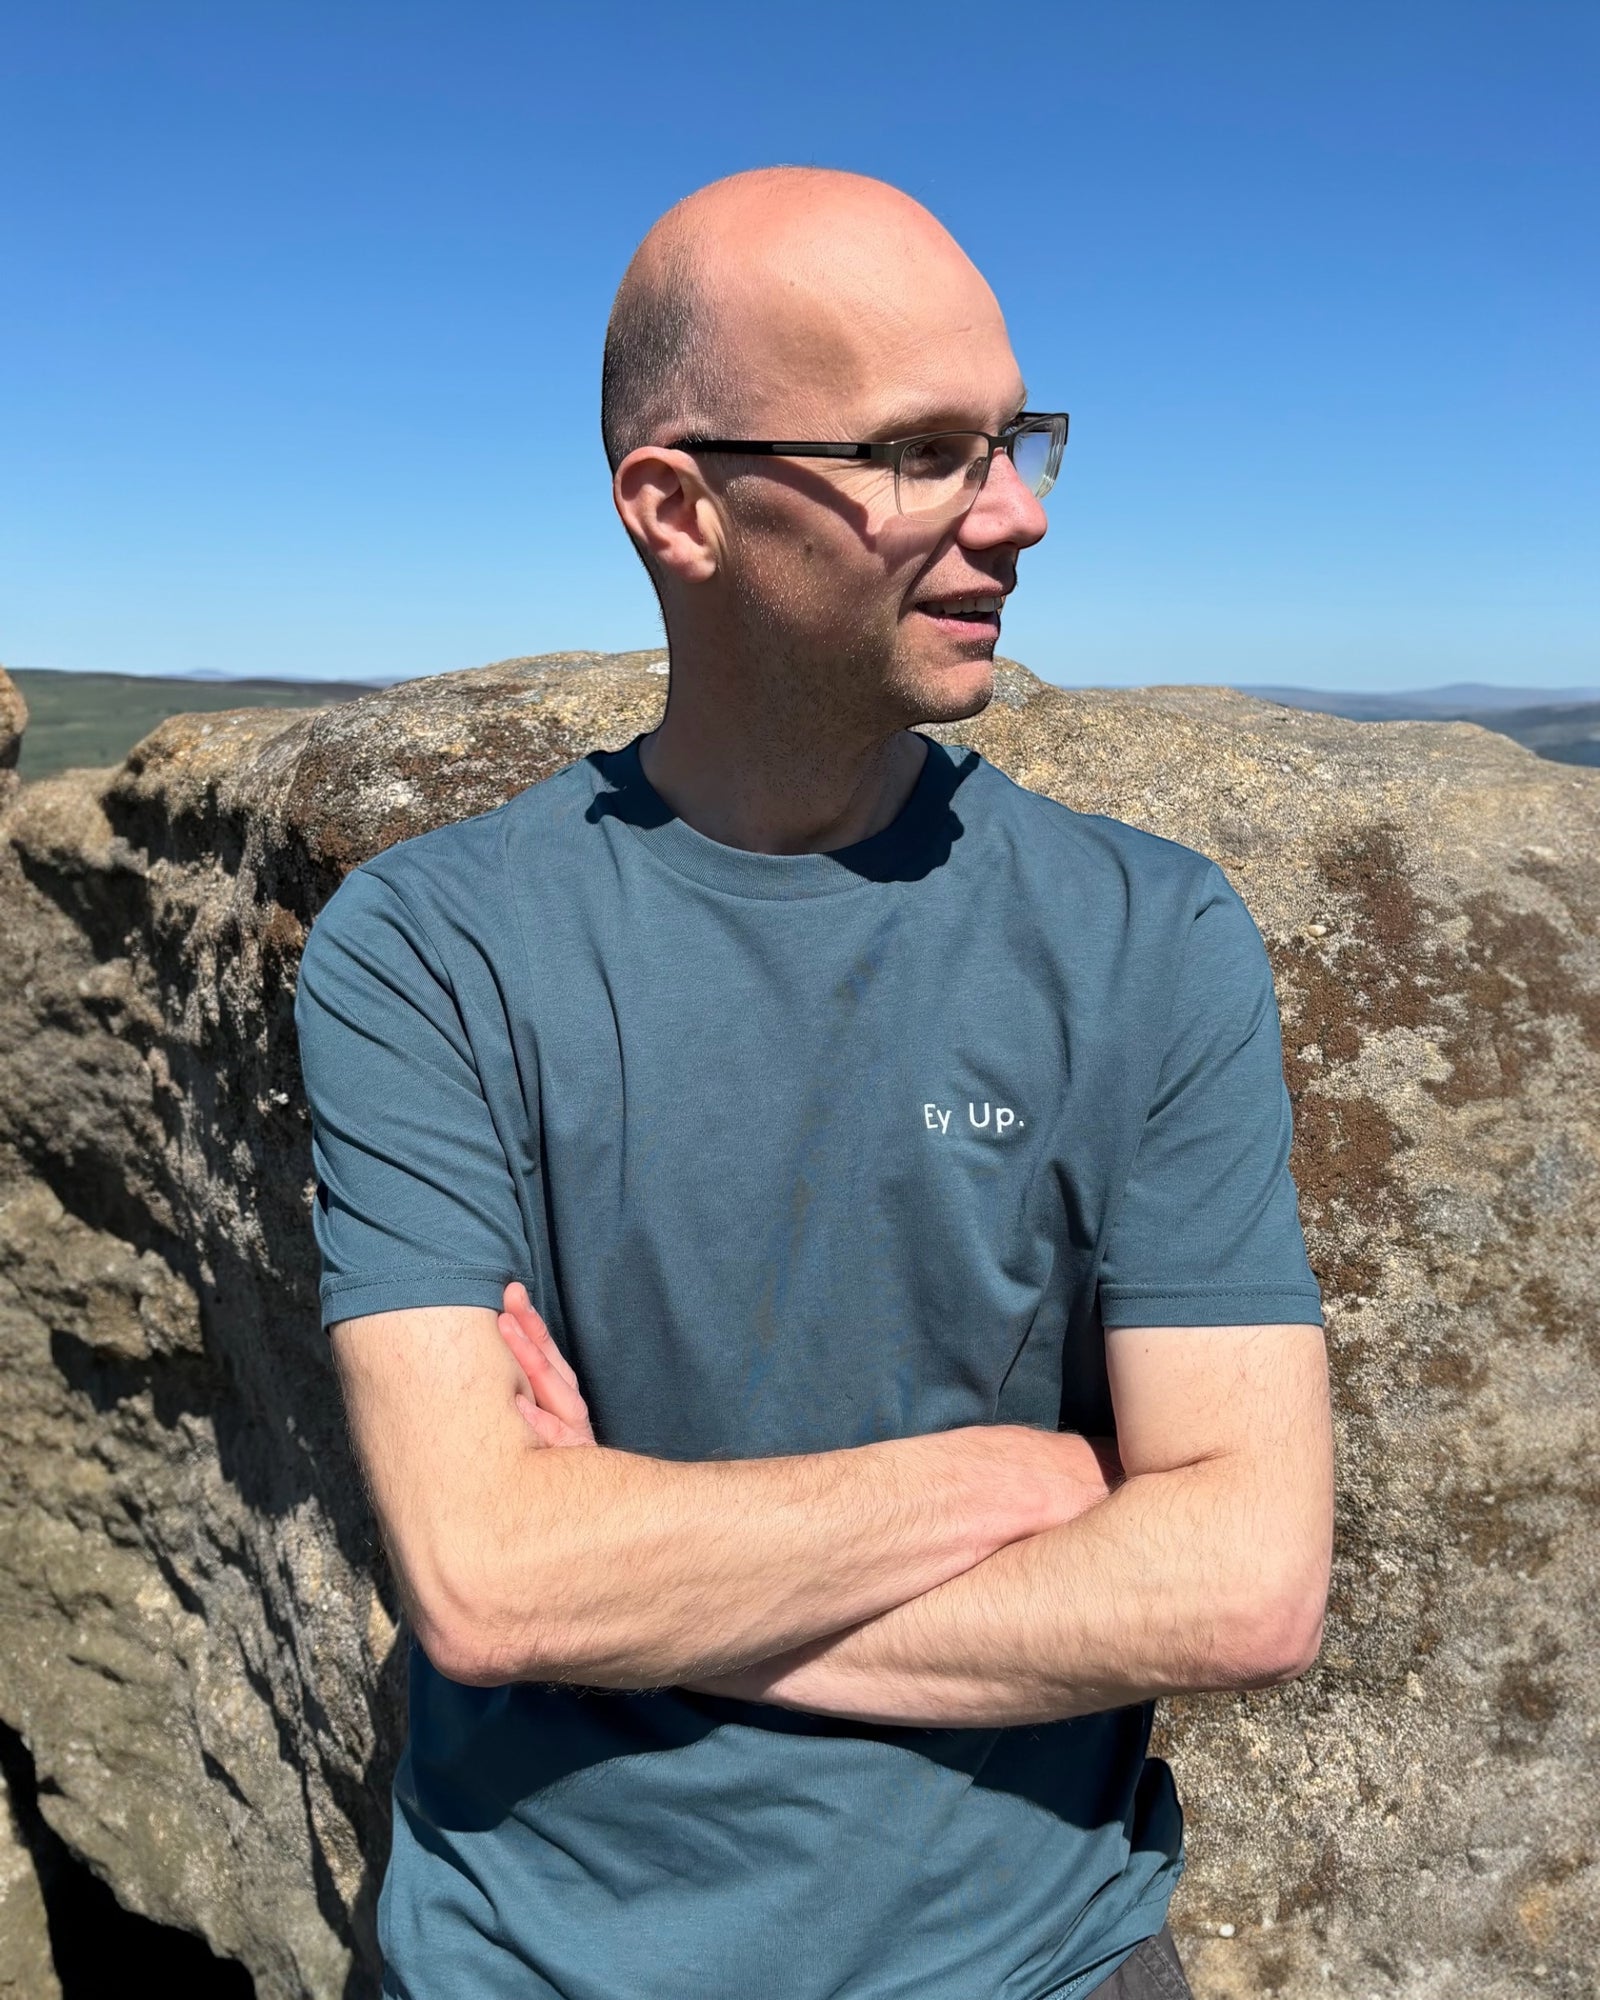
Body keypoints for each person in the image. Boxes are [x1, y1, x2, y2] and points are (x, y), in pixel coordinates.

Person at [294, 166, 1334, 2000]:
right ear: (677, 505)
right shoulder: (433, 946)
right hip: (523, 1966)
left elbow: (1247, 1579)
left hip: (1029, 1967)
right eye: (921, 453)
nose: (1012, 514)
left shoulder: (1147, 938)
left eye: (1014, 440)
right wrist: (1017, 1479)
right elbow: (487, 1583)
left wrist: (630, 1584)